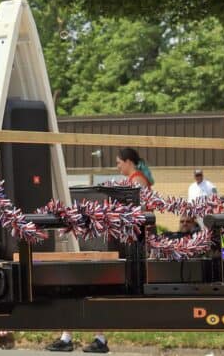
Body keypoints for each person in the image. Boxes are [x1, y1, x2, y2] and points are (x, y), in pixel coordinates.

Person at [47, 148, 153, 354]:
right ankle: (75, 336)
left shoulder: (137, 182)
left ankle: (89, 337)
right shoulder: (132, 181)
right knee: (91, 288)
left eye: (118, 162)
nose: (117, 166)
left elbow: (135, 215)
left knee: (97, 289)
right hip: (121, 243)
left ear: (129, 161)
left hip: (128, 245)